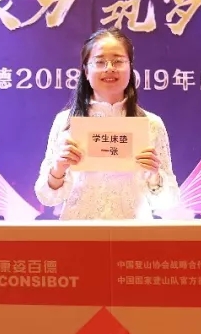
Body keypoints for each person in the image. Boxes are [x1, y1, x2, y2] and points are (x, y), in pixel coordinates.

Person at [35, 28, 180, 219]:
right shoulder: (66, 122)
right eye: (100, 62)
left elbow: (168, 202)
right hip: (79, 230)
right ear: (86, 71)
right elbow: (46, 197)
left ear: (130, 68)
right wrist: (58, 169)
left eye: (118, 61)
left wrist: (154, 176)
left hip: (134, 230)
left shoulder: (151, 124)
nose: (110, 68)